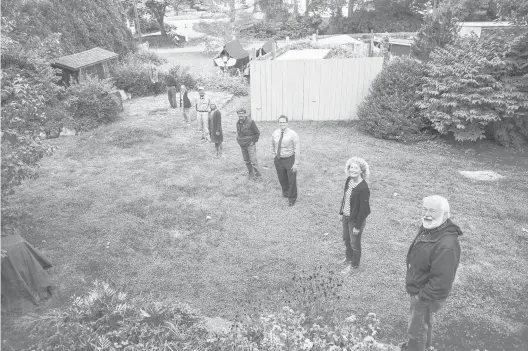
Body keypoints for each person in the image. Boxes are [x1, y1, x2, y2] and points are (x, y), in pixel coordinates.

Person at [401, 195, 462, 351]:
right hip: (420, 289)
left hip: (425, 295)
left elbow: (442, 282)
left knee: (416, 330)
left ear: (445, 215)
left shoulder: (446, 245)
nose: (426, 214)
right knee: (423, 324)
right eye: (424, 209)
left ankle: (414, 348)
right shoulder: (432, 227)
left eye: (432, 211)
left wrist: (420, 296)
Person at [338, 157, 371, 273]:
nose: (353, 170)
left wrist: (357, 226)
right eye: (351, 167)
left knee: (355, 243)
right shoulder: (349, 180)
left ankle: (354, 265)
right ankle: (348, 258)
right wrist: (341, 212)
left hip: (355, 220)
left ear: (361, 170)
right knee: (346, 238)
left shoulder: (363, 188)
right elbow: (345, 197)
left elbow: (364, 210)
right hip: (346, 217)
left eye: (356, 168)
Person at [271, 115, 299, 206]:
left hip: (289, 159)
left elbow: (297, 150)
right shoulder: (275, 133)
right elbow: (272, 145)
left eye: (283, 122)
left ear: (287, 123)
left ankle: (292, 198)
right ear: (278, 123)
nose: (282, 124)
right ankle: (286, 193)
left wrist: (296, 163)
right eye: (280, 122)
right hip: (279, 159)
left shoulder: (293, 134)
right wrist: (273, 156)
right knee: (282, 178)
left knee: (291, 179)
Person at [236, 108, 261, 179]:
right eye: (239, 113)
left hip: (250, 144)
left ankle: (258, 176)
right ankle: (251, 173)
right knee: (246, 160)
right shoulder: (238, 123)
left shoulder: (250, 122)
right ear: (238, 114)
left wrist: (253, 142)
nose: (240, 115)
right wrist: (238, 140)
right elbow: (238, 133)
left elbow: (257, 133)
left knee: (253, 161)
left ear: (245, 113)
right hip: (242, 144)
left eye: (242, 113)